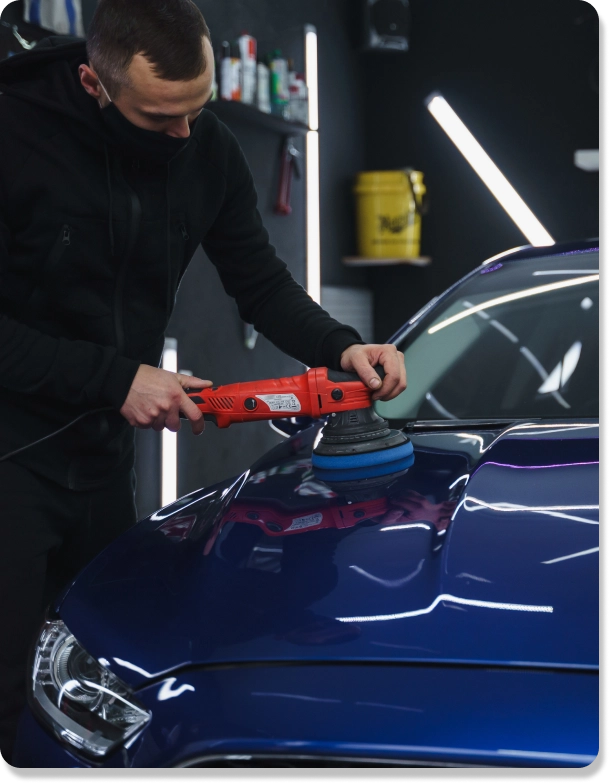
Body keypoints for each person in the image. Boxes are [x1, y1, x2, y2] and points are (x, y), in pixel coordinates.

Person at [0, 0, 406, 764]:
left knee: (107, 683)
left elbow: (260, 281)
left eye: (198, 107)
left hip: (101, 459)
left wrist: (341, 347)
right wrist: (118, 377)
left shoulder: (204, 148)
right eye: (160, 117)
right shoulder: (13, 135)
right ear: (93, 83)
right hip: (10, 454)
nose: (185, 133)